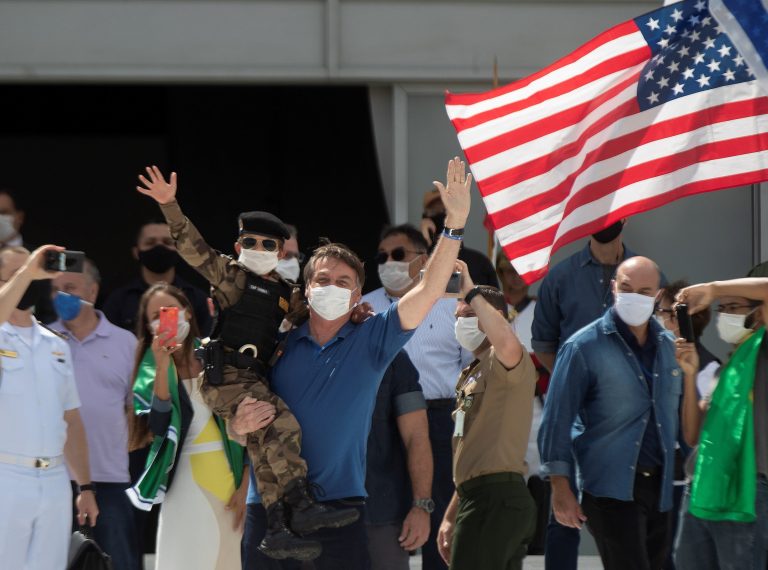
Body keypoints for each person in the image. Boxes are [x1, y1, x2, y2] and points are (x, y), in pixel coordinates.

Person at [232, 156, 473, 570]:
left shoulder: (373, 339)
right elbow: (235, 416)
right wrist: (238, 426)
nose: (331, 287)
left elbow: (429, 290)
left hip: (340, 511)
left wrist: (453, 226)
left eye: (343, 281)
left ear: (360, 293)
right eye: (322, 280)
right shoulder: (275, 341)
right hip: (270, 508)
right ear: (305, 290)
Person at [136, 165, 359, 561]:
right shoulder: (230, 277)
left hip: (254, 378)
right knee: (283, 424)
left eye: (268, 244)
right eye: (250, 242)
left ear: (280, 252)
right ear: (239, 247)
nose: (258, 249)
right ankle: (302, 505)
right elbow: (192, 246)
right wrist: (170, 205)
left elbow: (319, 312)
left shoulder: (286, 293)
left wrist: (355, 312)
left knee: (264, 444)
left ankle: (276, 526)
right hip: (225, 377)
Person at [538, 256, 697, 570]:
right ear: (613, 288)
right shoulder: (583, 346)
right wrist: (560, 485)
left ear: (657, 295)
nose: (633, 296)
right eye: (626, 288)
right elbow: (557, 417)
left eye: (644, 290)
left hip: (662, 487)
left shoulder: (670, 347)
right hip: (609, 487)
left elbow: (682, 422)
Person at [531, 219, 652, 569]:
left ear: (627, 216)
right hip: (574, 416)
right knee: (563, 508)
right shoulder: (561, 276)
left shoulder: (643, 273)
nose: (606, 221)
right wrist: (576, 384)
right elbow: (543, 343)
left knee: (627, 512)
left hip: (630, 417)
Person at [361, 223, 472, 570]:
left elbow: (473, 367)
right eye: (382, 256)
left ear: (424, 259)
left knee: (438, 517)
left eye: (398, 254)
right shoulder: (365, 307)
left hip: (440, 421)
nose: (388, 263)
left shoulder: (450, 305)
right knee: (385, 515)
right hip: (380, 423)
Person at [127, 282, 253, 570]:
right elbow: (158, 426)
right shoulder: (149, 366)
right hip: (184, 482)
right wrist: (161, 366)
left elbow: (249, 425)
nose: (162, 319)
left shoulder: (215, 354)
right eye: (153, 316)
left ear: (185, 311)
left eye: (167, 310)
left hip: (230, 478)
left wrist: (246, 486)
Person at [0, 245, 99, 569]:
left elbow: (70, 418)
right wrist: (28, 270)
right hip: (7, 474)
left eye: (32, 272)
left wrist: (84, 485)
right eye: (14, 273)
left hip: (54, 478)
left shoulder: (55, 344)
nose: (27, 279)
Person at [437, 271, 538, 570]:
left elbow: (506, 342)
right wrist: (450, 516)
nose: (461, 322)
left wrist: (471, 292)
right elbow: (473, 455)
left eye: (469, 313)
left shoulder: (507, 357)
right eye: (458, 316)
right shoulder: (472, 372)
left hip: (497, 497)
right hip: (476, 497)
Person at [50, 258, 139, 570]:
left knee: (119, 564)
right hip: (53, 479)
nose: (62, 296)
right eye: (55, 289)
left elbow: (136, 410)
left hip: (110, 481)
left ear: (93, 290)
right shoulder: (43, 341)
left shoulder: (126, 343)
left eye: (70, 288)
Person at [673, 278, 768, 570]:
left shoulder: (761, 349)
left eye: (734, 306)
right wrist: (689, 375)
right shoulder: (727, 368)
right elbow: (692, 435)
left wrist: (713, 289)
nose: (725, 314)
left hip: (745, 490)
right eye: (721, 308)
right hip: (702, 488)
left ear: (759, 312)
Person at [653, 279, 719, 570]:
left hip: (684, 486)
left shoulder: (711, 371)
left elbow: (696, 436)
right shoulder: (652, 360)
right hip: (653, 481)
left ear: (683, 320)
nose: (659, 318)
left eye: (665, 312)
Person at [496, 250, 549, 555]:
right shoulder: (490, 310)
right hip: (500, 404)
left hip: (534, 404)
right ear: (500, 273)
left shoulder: (542, 311)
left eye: (521, 273)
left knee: (538, 474)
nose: (515, 279)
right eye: (508, 271)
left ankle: (536, 544)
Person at [365, 350, 432, 570]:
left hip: (381, 513)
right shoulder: (299, 349)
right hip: (316, 515)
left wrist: (421, 506)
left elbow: (417, 436)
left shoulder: (392, 356)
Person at [103, 220, 212, 335]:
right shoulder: (118, 301)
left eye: (167, 242)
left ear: (179, 250)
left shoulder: (197, 299)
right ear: (136, 252)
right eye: (150, 243)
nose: (160, 247)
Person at [420, 188, 498, 287]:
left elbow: (494, 301)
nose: (442, 216)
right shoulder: (419, 258)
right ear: (425, 218)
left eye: (446, 210)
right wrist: (425, 241)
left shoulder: (479, 262)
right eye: (435, 212)